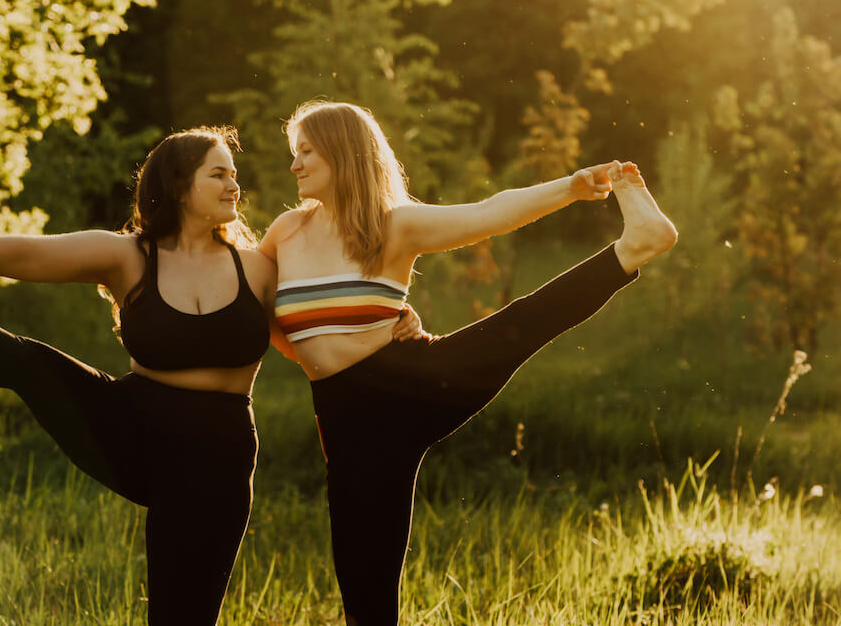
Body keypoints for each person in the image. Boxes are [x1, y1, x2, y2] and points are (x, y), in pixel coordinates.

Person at [260, 101, 678, 625]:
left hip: (412, 384)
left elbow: (488, 214)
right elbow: (250, 305)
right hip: (346, 424)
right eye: (294, 154)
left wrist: (571, 186)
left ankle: (632, 246)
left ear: (342, 154)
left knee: (520, 324)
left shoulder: (397, 226)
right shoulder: (285, 232)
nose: (295, 165)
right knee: (364, 585)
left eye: (306, 152)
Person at [0, 127, 283, 624]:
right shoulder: (129, 256)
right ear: (179, 185)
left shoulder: (260, 270)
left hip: (220, 455)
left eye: (234, 175)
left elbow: (329, 313)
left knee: (184, 613)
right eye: (219, 174)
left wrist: (398, 320)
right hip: (134, 428)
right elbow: (32, 254)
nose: (234, 185)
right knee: (27, 361)